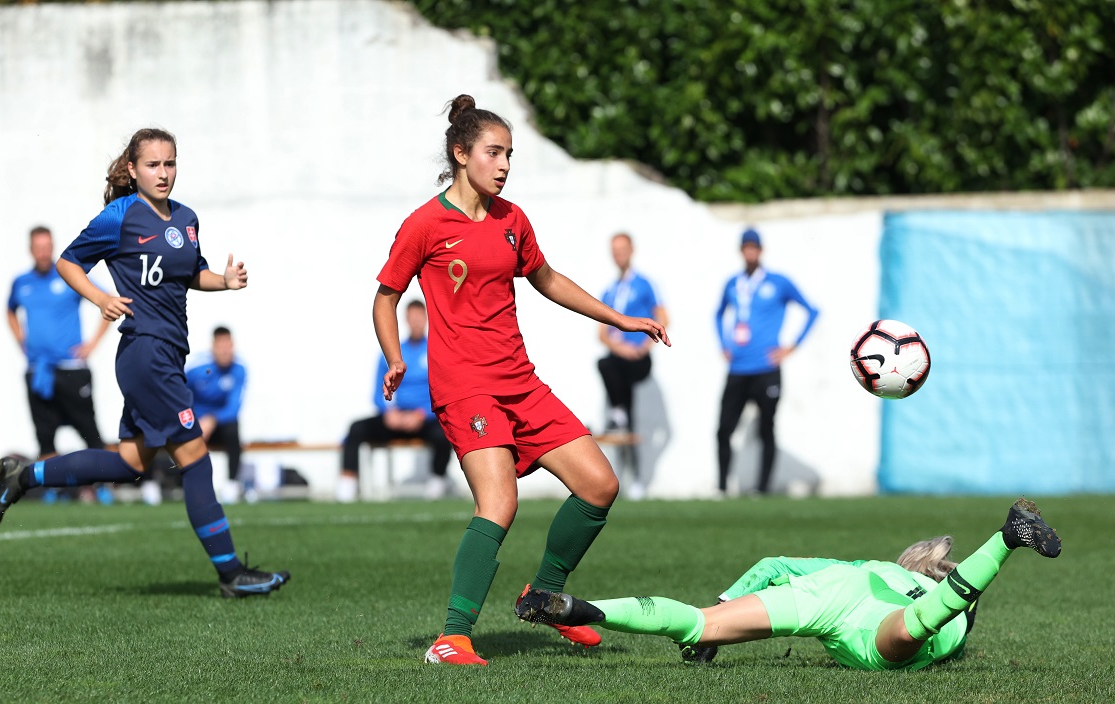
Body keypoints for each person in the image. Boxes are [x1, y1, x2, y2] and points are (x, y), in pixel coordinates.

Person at [374, 94, 670, 666]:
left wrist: (619, 317)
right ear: (461, 155)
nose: (505, 164)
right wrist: (394, 357)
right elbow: (385, 299)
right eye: (494, 152)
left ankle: (541, 595)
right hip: (464, 385)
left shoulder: (513, 220)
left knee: (598, 485)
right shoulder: (425, 224)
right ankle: (452, 637)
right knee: (500, 502)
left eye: (510, 153)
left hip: (520, 380)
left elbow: (548, 279)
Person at [0, 127, 289, 598]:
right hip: (145, 354)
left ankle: (23, 475)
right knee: (195, 458)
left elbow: (191, 274)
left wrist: (224, 281)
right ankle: (231, 574)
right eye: (153, 165)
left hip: (167, 354)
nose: (163, 173)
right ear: (133, 169)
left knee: (129, 461)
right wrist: (100, 297)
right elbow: (70, 262)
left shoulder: (186, 218)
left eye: (170, 164)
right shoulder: (120, 216)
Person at [516, 498, 1061, 671]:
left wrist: (724, 610)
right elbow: (956, 605)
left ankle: (581, 607)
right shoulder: (956, 618)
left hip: (835, 593)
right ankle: (1006, 538)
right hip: (873, 630)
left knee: (698, 622)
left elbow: (774, 560)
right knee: (918, 628)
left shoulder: (870, 565)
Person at [7, 226, 113, 503]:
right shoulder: (22, 282)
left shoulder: (68, 275)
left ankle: (100, 486)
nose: (43, 252)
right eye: (38, 247)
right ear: (31, 250)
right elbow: (10, 311)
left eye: (47, 247)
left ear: (52, 247)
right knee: (44, 434)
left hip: (71, 370)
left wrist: (92, 345)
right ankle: (53, 490)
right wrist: (22, 341)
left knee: (89, 430)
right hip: (38, 371)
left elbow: (106, 302)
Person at [714, 228, 818, 496]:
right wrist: (723, 345)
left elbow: (811, 310)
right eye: (746, 247)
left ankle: (762, 488)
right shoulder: (732, 284)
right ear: (741, 251)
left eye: (754, 247)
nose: (750, 252)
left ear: (761, 250)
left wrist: (791, 347)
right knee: (724, 428)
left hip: (767, 369)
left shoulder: (778, 282)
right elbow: (717, 314)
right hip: (738, 368)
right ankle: (723, 487)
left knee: (766, 429)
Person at [336, 300, 453, 503]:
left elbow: (445, 391)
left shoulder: (437, 351)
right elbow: (376, 392)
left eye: (420, 317)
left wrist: (422, 414)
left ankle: (437, 481)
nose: (416, 322)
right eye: (412, 318)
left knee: (446, 433)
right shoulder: (392, 352)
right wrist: (388, 412)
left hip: (423, 419)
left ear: (426, 319)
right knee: (356, 429)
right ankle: (347, 485)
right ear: (406, 320)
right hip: (396, 417)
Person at [596, 232, 667, 500]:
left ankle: (618, 414)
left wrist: (642, 347)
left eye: (622, 249)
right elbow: (601, 333)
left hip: (638, 361)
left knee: (609, 366)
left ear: (631, 250)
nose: (618, 255)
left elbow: (664, 317)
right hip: (618, 362)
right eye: (614, 250)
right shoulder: (610, 290)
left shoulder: (645, 284)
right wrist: (620, 347)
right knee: (627, 421)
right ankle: (630, 478)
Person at [186, 326, 248, 502]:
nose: (224, 350)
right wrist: (193, 421)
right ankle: (183, 483)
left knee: (233, 428)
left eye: (228, 345)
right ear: (213, 346)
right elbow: (180, 397)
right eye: (220, 345)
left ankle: (231, 484)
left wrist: (212, 420)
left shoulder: (239, 369)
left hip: (219, 427)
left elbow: (234, 408)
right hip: (195, 424)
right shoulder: (196, 368)